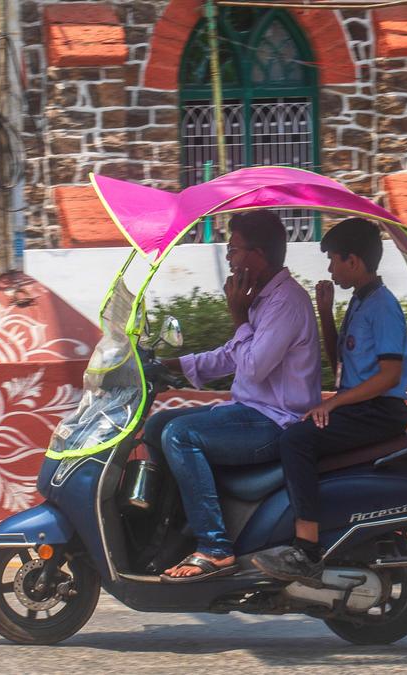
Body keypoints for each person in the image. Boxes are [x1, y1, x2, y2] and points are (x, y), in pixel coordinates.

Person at [143, 210, 321, 583]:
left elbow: (252, 366)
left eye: (233, 249)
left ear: (258, 255)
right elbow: (233, 354)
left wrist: (238, 315)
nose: (229, 258)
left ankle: (215, 547)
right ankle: (174, 528)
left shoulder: (286, 302)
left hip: (274, 421)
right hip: (250, 412)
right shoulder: (264, 299)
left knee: (180, 435)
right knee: (158, 425)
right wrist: (168, 365)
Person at [252, 218, 407, 585]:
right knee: (297, 432)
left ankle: (306, 549)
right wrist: (325, 312)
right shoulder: (360, 300)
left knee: (296, 440)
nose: (329, 269)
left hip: (379, 411)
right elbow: (339, 362)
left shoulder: (383, 306)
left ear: (353, 261)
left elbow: (389, 375)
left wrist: (333, 404)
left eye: (333, 260)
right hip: (360, 406)